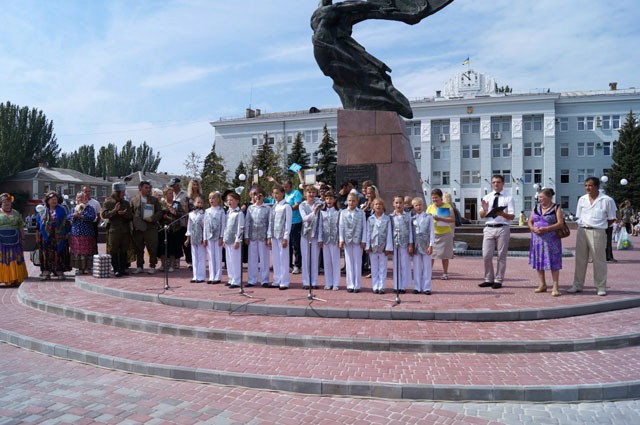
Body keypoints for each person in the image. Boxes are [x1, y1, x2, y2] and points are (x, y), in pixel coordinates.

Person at [569, 177, 617, 296]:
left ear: (597, 186)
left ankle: (600, 286)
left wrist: (600, 225)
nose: (587, 188)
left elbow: (612, 219)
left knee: (599, 260)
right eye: (586, 185)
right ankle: (577, 285)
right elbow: (579, 216)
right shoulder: (582, 199)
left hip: (598, 232)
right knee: (580, 259)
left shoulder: (607, 200)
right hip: (582, 231)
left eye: (590, 185)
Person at [478, 175, 515, 289]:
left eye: (498, 182)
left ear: (503, 183)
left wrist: (502, 214)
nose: (496, 184)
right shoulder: (487, 197)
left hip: (503, 227)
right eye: (493, 182)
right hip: (489, 227)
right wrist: (484, 210)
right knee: (486, 255)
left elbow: (512, 216)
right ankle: (488, 279)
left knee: (501, 255)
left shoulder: (508, 197)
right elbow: (481, 215)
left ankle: (498, 279)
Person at [528, 188, 565, 297]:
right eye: (539, 197)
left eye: (541, 197)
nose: (539, 199)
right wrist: (532, 228)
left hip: (552, 241)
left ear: (549, 197)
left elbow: (560, 223)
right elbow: (530, 221)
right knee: (539, 262)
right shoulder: (536, 207)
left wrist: (547, 229)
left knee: (554, 262)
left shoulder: (556, 208)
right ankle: (542, 284)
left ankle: (555, 286)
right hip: (537, 240)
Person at [130, 181, 163, 274]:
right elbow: (130, 213)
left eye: (149, 188)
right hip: (138, 228)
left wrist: (152, 218)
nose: (148, 189)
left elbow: (160, 212)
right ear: (140, 188)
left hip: (151, 228)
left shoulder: (154, 200)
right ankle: (139, 266)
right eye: (146, 187)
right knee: (139, 248)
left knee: (152, 247)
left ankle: (152, 266)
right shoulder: (134, 200)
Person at [36, 191, 69, 280]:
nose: (54, 201)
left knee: (58, 253)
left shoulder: (61, 209)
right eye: (52, 199)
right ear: (48, 201)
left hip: (58, 235)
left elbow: (66, 222)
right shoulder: (42, 210)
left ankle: (58, 270)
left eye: (56, 199)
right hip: (46, 236)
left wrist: (66, 233)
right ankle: (46, 271)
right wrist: (38, 236)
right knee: (46, 253)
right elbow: (38, 224)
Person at [101, 182, 133, 277]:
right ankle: (115, 269)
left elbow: (131, 216)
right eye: (122, 192)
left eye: (123, 192)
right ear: (116, 192)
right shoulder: (108, 203)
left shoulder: (126, 203)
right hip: (114, 230)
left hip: (125, 230)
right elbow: (104, 215)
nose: (123, 194)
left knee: (124, 250)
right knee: (113, 250)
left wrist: (124, 214)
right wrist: (115, 211)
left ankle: (123, 269)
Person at [339, 192, 367, 293]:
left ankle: (357, 285)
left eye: (353, 201)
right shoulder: (343, 212)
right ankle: (350, 284)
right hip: (347, 240)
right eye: (349, 200)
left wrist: (364, 240)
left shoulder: (361, 213)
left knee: (357, 262)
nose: (351, 203)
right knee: (349, 263)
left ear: (357, 202)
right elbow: (341, 227)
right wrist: (341, 239)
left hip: (357, 241)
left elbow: (364, 228)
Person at [426, 189, 455, 280]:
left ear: (441, 197)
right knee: (431, 255)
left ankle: (445, 273)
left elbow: (452, 219)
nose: (434, 200)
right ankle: (429, 273)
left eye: (436, 198)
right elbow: (426, 219)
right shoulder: (430, 207)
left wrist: (440, 219)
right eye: (433, 198)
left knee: (445, 255)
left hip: (445, 234)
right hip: (433, 234)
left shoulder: (447, 206)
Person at [244, 188, 270, 287]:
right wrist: (246, 235)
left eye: (260, 195)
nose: (257, 197)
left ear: (263, 197)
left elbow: (269, 223)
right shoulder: (250, 208)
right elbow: (247, 222)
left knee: (264, 258)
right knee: (252, 258)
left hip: (263, 236)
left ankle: (264, 280)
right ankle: (252, 279)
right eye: (255, 195)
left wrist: (269, 236)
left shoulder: (267, 208)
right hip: (253, 236)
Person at [365, 197, 392, 294]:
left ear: (383, 206)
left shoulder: (387, 219)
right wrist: (367, 246)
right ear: (373, 206)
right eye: (376, 204)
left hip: (383, 246)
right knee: (374, 267)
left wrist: (388, 247)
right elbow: (368, 232)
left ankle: (381, 286)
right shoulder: (370, 219)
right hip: (373, 246)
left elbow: (389, 233)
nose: (378, 206)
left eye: (380, 204)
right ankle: (375, 286)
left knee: (382, 267)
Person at [0, 193, 28, 287]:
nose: (6, 203)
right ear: (1, 203)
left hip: (15, 241)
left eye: (8, 201)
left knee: (15, 258)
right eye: (4, 202)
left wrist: (23, 238)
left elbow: (20, 226)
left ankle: (15, 277)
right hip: (1, 242)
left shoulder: (16, 213)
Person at [268, 185, 292, 290]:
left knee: (283, 258)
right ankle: (276, 279)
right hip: (274, 235)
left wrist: (286, 237)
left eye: (277, 193)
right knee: (276, 258)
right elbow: (270, 222)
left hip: (282, 235)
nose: (275, 195)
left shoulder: (286, 206)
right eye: (274, 193)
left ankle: (284, 281)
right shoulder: (274, 206)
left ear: (283, 193)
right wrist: (269, 235)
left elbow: (288, 223)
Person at [300, 185, 323, 290]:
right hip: (305, 234)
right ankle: (306, 281)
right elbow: (305, 219)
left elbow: (321, 222)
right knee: (305, 259)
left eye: (313, 192)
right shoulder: (302, 205)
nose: (311, 195)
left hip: (315, 234)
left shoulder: (319, 204)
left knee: (314, 259)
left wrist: (320, 238)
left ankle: (314, 281)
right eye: (309, 193)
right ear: (305, 194)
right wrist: (314, 212)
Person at [68, 192, 97, 275]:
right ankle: (80, 267)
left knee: (87, 251)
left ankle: (87, 267)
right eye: (78, 198)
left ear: (85, 199)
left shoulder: (89, 208)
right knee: (78, 251)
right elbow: (68, 217)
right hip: (76, 233)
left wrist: (82, 216)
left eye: (82, 198)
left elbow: (92, 217)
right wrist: (74, 215)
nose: (80, 199)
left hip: (87, 233)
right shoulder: (73, 209)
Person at [411, 197, 435, 295]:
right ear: (413, 207)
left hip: (426, 244)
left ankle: (427, 287)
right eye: (416, 205)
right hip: (416, 245)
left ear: (423, 205)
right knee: (417, 267)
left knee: (427, 267)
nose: (418, 207)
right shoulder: (412, 218)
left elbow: (432, 232)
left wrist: (431, 245)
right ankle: (417, 287)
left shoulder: (428, 217)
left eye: (420, 204)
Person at [390, 195, 413, 294]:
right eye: (396, 203)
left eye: (400, 203)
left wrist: (410, 244)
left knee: (404, 264)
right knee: (396, 265)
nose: (398, 205)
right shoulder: (390, 217)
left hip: (404, 243)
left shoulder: (407, 216)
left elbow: (410, 231)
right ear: (393, 204)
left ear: (404, 204)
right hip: (395, 243)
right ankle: (396, 285)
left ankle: (402, 286)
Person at [319, 190, 341, 290]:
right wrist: (320, 239)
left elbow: (340, 226)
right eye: (327, 198)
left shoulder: (339, 212)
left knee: (335, 261)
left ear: (334, 200)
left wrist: (341, 239)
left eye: (331, 198)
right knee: (327, 261)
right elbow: (320, 226)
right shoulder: (322, 212)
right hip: (325, 239)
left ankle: (336, 283)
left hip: (335, 239)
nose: (328, 200)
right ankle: (328, 282)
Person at [159, 187, 185, 272]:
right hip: (163, 228)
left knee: (172, 248)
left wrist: (175, 212)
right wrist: (163, 216)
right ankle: (163, 265)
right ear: (165, 194)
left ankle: (172, 265)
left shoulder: (176, 204)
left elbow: (182, 214)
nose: (171, 195)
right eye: (169, 193)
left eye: (172, 193)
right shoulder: (161, 203)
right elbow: (157, 213)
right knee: (162, 247)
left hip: (174, 229)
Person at [223, 192, 245, 288]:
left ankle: (237, 280)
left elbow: (240, 228)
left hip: (235, 240)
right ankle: (231, 278)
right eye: (228, 200)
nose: (229, 202)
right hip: (228, 239)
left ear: (237, 201)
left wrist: (238, 240)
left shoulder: (239, 213)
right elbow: (226, 227)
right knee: (229, 260)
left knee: (235, 260)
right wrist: (224, 238)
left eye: (231, 200)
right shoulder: (228, 212)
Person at [204, 191, 226, 284]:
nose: (211, 200)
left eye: (213, 198)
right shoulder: (207, 211)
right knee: (211, 257)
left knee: (217, 256)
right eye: (210, 198)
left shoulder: (221, 211)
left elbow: (223, 224)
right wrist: (204, 237)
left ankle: (218, 276)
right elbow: (205, 225)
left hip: (218, 236)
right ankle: (211, 276)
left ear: (218, 199)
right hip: (209, 236)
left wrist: (222, 237)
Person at [283, 179, 303, 275]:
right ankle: (289, 265)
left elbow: (297, 205)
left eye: (286, 187)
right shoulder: (284, 195)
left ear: (290, 186)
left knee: (296, 245)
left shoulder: (296, 193)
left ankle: (297, 265)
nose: (285, 188)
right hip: (286, 222)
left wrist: (287, 209)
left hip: (296, 221)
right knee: (288, 244)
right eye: (284, 187)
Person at [185, 196, 207, 283]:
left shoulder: (204, 214)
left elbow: (205, 227)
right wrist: (188, 238)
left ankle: (201, 276)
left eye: (201, 203)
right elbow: (189, 227)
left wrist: (205, 239)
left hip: (201, 238)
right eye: (198, 202)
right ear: (194, 203)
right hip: (193, 238)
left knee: (201, 257)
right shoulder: (191, 214)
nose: (199, 204)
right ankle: (195, 276)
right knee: (194, 257)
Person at [169, 177, 188, 269]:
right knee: (175, 243)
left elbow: (188, 208)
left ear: (178, 185)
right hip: (173, 222)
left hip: (183, 221)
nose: (172, 187)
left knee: (184, 242)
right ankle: (177, 261)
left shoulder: (185, 194)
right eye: (171, 186)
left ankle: (189, 260)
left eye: (174, 185)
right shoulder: (170, 194)